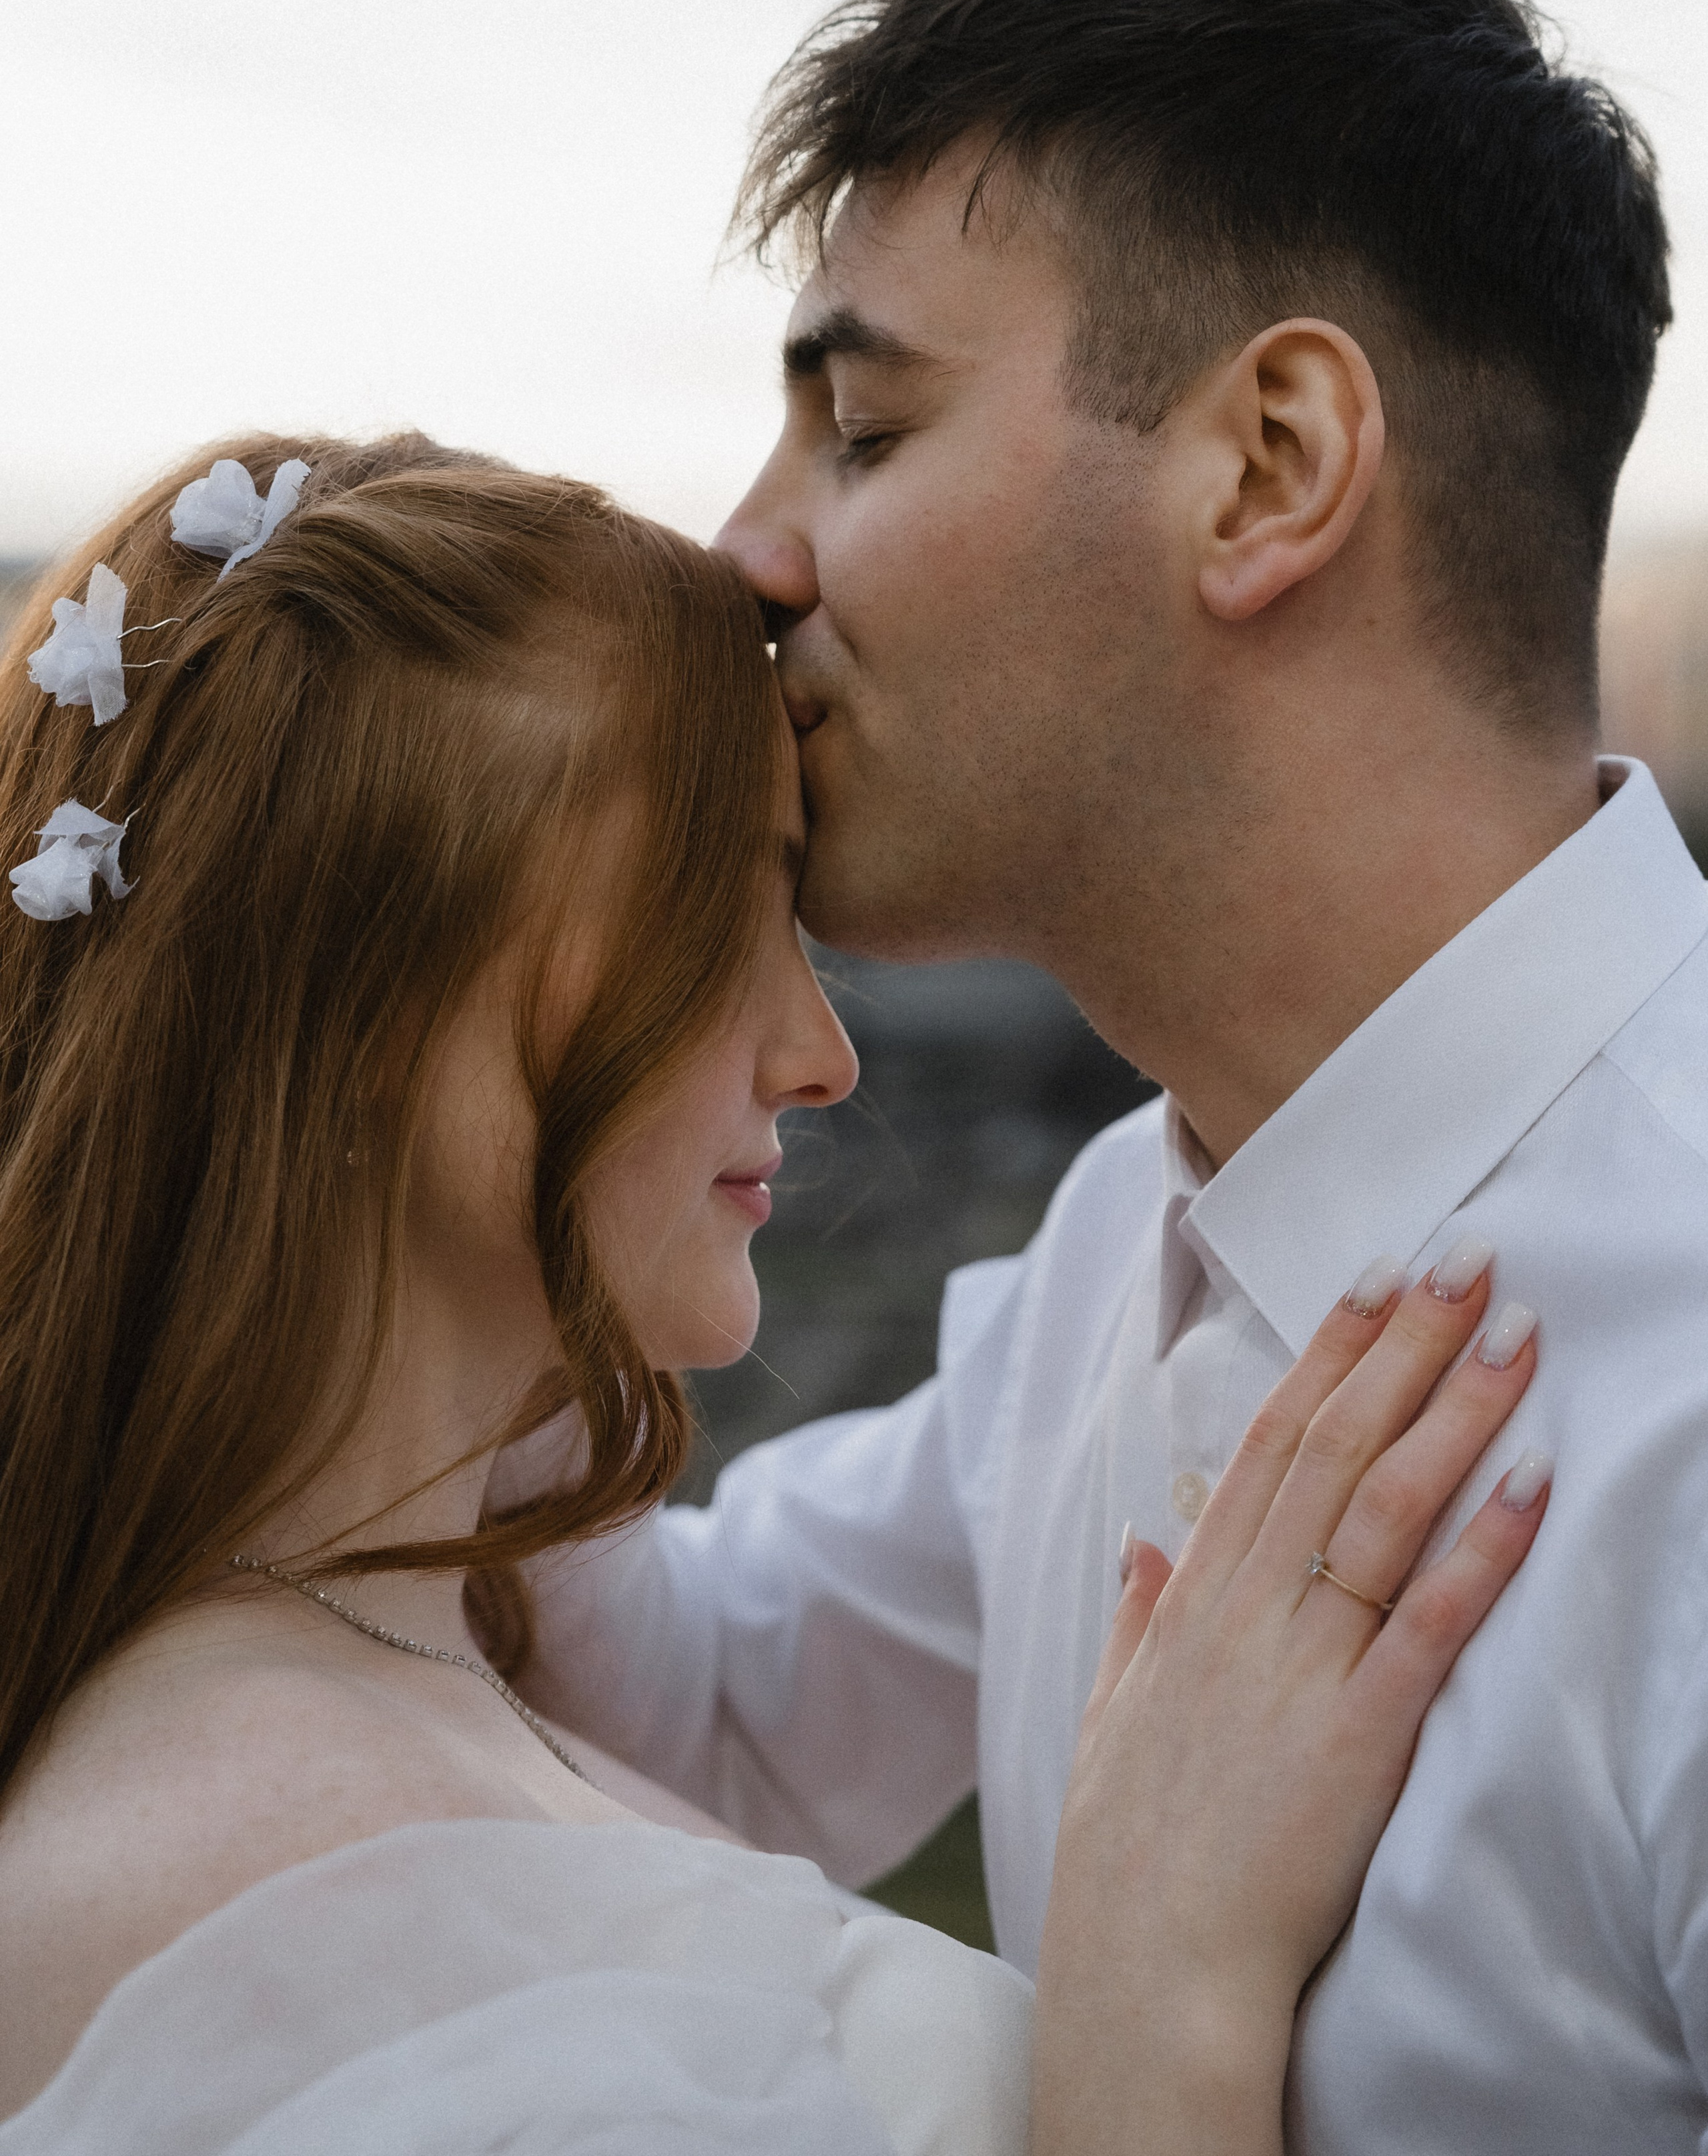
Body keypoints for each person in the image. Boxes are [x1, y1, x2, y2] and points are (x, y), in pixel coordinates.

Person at [510, 0, 1708, 2153]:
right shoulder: (1112, 1250)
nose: (744, 552)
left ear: (1267, 465)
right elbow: (701, 1720)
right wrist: (458, 1112)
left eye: (862, 426)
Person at [0, 433, 1543, 2153]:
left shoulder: (350, 1722)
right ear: (365, 1005)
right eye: (713, 912)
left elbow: (732, 1669)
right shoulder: (331, 1912)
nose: (822, 1054)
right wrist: (1162, 2002)